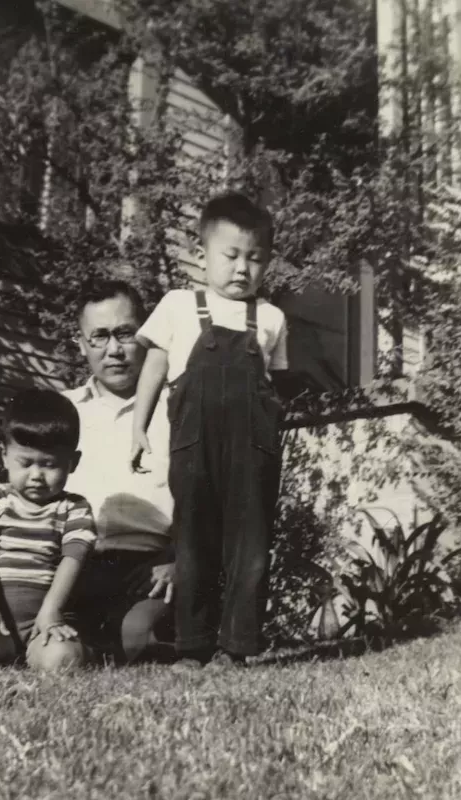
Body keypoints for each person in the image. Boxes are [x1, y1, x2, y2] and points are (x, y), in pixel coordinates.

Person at [131, 192, 288, 667]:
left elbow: (273, 387)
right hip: (193, 445)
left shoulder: (272, 318)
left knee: (251, 547)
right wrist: (138, 428)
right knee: (194, 545)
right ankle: (192, 647)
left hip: (252, 448)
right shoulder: (179, 304)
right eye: (232, 255)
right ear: (202, 256)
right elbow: (155, 368)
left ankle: (236, 648)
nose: (243, 268)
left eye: (255, 259)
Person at [62, 280, 175, 663]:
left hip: (154, 566)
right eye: (100, 337)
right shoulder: (63, 412)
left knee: (137, 640)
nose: (114, 350)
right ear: (81, 344)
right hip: (75, 565)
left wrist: (179, 561)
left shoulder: (178, 409)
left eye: (125, 333)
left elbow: (210, 499)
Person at [0, 389, 97, 671]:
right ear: (5, 456)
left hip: (47, 618)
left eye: (49, 464)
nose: (36, 475)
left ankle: (69, 650)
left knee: (62, 660)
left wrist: (51, 612)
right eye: (25, 462)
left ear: (73, 463)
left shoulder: (74, 508)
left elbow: (73, 559)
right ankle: (5, 650)